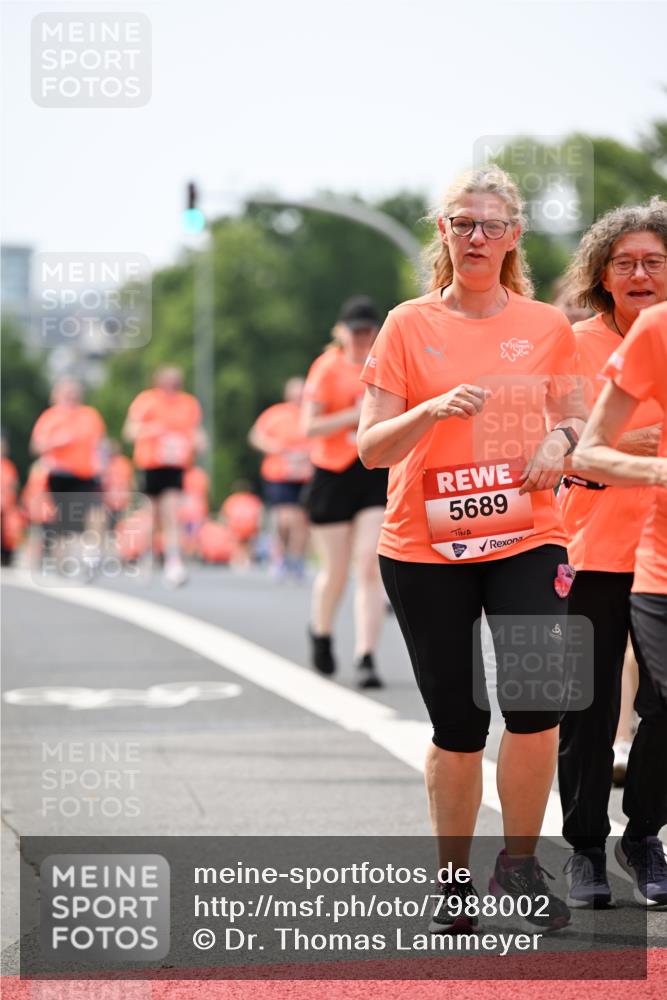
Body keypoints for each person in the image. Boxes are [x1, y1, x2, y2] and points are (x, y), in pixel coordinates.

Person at [357, 167, 587, 932]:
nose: (476, 236)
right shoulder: (406, 325)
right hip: (424, 545)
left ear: (513, 236)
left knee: (535, 706)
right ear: (443, 234)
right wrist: (427, 408)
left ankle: (518, 866)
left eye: (491, 224)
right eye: (462, 223)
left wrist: (558, 438)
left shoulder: (546, 326)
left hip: (527, 533)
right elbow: (368, 449)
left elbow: (577, 420)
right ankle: (452, 880)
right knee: (457, 721)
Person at [557, 199, 667, 907]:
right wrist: (635, 448)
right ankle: (584, 850)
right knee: (587, 710)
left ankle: (642, 837)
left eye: (652, 261)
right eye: (622, 262)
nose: (637, 273)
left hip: (659, 555)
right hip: (590, 546)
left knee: (661, 707)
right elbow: (567, 449)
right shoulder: (572, 345)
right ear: (600, 274)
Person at [302, 296, 388, 690]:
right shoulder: (327, 368)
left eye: (368, 332)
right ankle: (321, 632)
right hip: (331, 473)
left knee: (369, 564)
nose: (361, 339)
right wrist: (354, 416)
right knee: (335, 569)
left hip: (370, 470)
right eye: (355, 332)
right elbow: (309, 427)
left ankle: (366, 655)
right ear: (341, 333)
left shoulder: (384, 363)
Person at [123, 366, 205, 587]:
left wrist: (199, 442)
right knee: (153, 514)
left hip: (176, 465)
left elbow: (196, 431)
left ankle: (173, 561)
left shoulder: (188, 403)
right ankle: (147, 555)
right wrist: (153, 430)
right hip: (150, 463)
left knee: (172, 512)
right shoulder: (146, 401)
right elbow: (130, 431)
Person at [30, 378, 106, 575]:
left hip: (86, 473)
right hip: (61, 474)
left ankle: (92, 551)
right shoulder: (50, 417)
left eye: (74, 392)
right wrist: (55, 442)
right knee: (65, 520)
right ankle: (63, 562)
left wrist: (103, 464)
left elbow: (100, 444)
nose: (71, 396)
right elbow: (36, 446)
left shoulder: (90, 415)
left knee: (95, 512)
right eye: (66, 392)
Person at [248, 378, 312, 580]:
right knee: (285, 519)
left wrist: (308, 453)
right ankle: (280, 556)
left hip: (305, 474)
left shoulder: (312, 413)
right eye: (296, 393)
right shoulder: (276, 414)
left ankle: (297, 560)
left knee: (301, 520)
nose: (299, 398)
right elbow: (256, 437)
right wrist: (275, 447)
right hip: (279, 474)